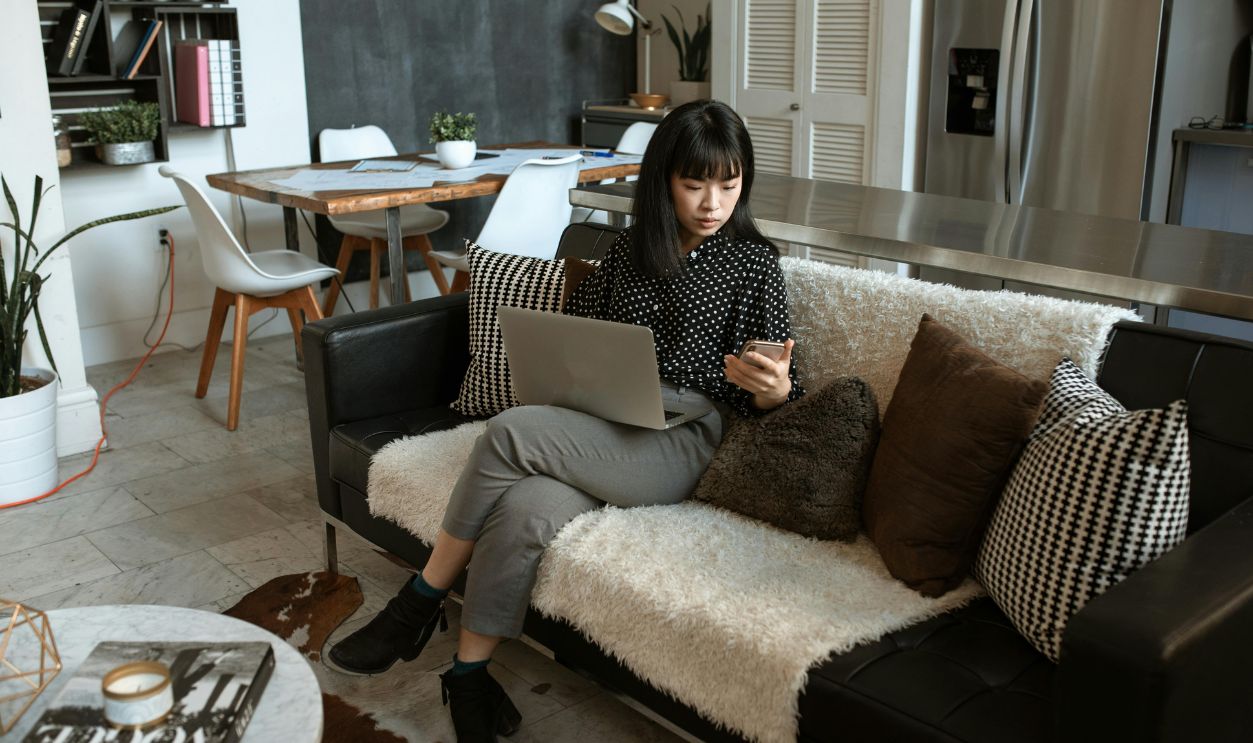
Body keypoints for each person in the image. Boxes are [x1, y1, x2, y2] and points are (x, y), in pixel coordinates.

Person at [327, 99, 804, 742]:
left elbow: (773, 387)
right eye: (695, 184)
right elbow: (576, 329)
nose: (713, 202)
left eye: (729, 183)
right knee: (523, 508)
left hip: (685, 439)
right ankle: (468, 677)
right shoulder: (633, 253)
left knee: (510, 430)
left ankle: (417, 604)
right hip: (609, 422)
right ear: (665, 180)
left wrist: (774, 389)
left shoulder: (753, 264)